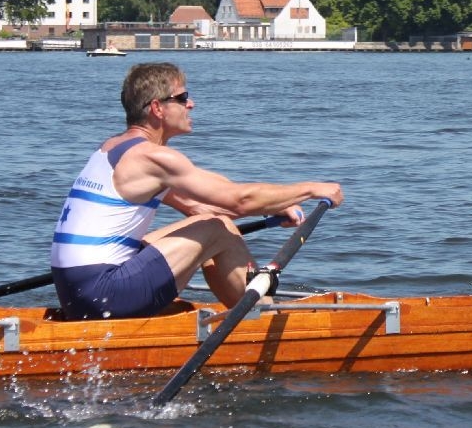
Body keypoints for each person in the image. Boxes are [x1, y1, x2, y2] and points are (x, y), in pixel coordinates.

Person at [51, 62, 343, 320]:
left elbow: (199, 207)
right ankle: (262, 319)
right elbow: (238, 201)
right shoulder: (153, 158)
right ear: (157, 108)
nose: (191, 104)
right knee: (216, 228)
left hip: (76, 292)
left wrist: (272, 208)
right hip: (103, 295)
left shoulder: (112, 147)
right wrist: (311, 189)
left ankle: (252, 313)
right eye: (182, 98)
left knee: (212, 225)